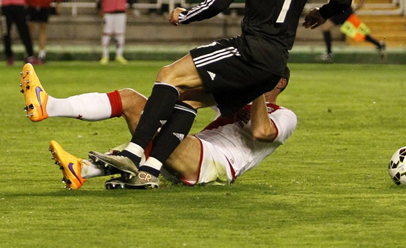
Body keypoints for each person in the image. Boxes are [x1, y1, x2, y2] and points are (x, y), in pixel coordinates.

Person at [85, 0, 351, 189]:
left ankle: (134, 154)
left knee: (169, 76)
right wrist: (322, 13)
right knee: (190, 97)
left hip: (248, 51)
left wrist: (185, 15)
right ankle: (149, 171)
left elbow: (219, 2)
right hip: (276, 63)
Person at [20, 64, 295, 190]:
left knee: (129, 100)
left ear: (279, 83)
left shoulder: (285, 116)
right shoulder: (238, 99)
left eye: (264, 71)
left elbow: (261, 131)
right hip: (193, 153)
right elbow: (192, 97)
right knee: (164, 105)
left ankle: (50, 106)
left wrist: (258, 86)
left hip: (217, 163)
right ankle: (81, 170)